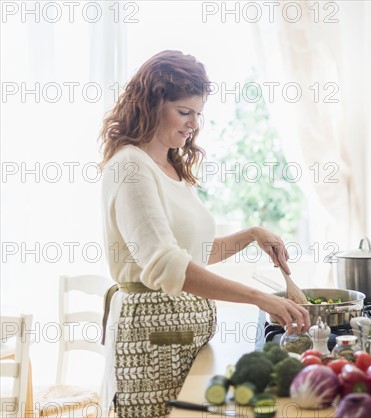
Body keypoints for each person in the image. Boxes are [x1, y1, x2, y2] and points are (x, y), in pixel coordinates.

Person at [98, 50, 310, 418]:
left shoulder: (169, 165)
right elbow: (166, 264)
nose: (194, 124)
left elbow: (191, 252)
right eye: (184, 112)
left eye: (199, 113)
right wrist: (260, 298)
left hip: (184, 341)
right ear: (150, 105)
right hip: (152, 345)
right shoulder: (131, 168)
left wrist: (251, 234)